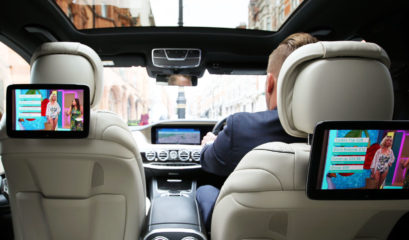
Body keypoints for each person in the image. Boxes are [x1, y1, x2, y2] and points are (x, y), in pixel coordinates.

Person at [196, 33, 318, 230]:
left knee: (205, 190)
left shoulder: (240, 127)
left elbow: (210, 163)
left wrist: (209, 144)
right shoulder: (366, 135)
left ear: (269, 83)